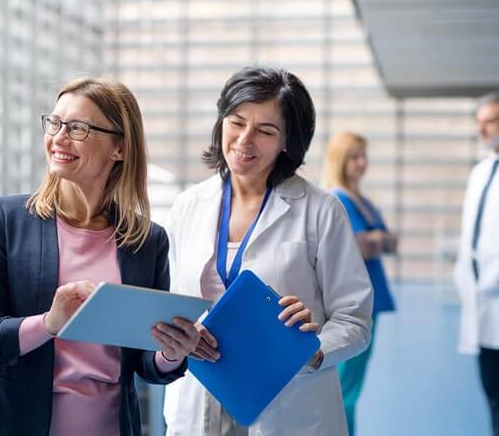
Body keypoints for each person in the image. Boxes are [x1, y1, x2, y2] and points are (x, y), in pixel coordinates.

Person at [0, 77, 201, 436]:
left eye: (79, 128)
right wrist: (48, 324)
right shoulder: (7, 219)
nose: (59, 137)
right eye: (54, 123)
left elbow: (144, 362)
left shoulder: (147, 241)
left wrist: (172, 352)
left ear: (120, 149)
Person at [163, 66, 373, 436]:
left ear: (288, 142)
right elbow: (168, 302)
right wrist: (181, 333)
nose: (245, 140)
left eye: (265, 131)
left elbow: (355, 319)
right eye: (236, 122)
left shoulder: (320, 210)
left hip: (289, 401)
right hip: (200, 396)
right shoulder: (188, 206)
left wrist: (314, 350)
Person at [322, 131, 397, 435]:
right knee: (344, 389)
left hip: (372, 301)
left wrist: (375, 240)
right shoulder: (337, 199)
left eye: (364, 156)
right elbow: (358, 245)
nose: (362, 163)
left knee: (352, 386)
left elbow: (388, 242)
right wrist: (376, 240)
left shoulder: (362, 201)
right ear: (340, 160)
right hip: (353, 304)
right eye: (355, 156)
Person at [455, 91, 499, 435]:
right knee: (492, 394)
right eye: (480, 123)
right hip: (481, 307)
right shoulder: (481, 172)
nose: (483, 130)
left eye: (491, 121)